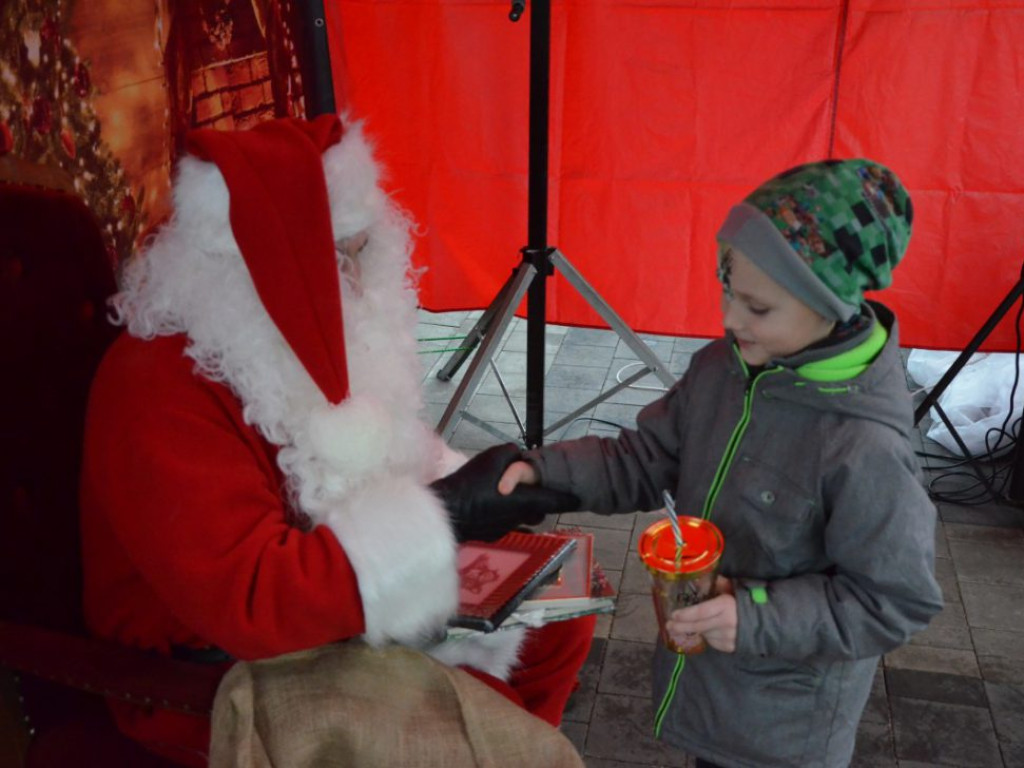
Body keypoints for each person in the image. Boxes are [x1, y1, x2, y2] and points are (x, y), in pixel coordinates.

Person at [79, 114, 594, 767]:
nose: (356, 283)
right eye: (335, 260)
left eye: (361, 251)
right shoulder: (156, 386)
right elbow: (252, 601)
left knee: (558, 608)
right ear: (254, 268)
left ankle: (494, 736)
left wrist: (480, 494)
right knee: (477, 726)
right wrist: (447, 513)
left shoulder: (289, 338)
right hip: (214, 675)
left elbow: (377, 464)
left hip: (329, 610)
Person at [438, 159, 945, 767]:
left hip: (786, 731)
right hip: (712, 692)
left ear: (831, 304)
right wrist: (542, 473)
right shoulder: (722, 369)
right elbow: (645, 456)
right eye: (728, 287)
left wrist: (754, 619)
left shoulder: (865, 447)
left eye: (758, 307)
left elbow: (896, 600)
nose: (730, 319)